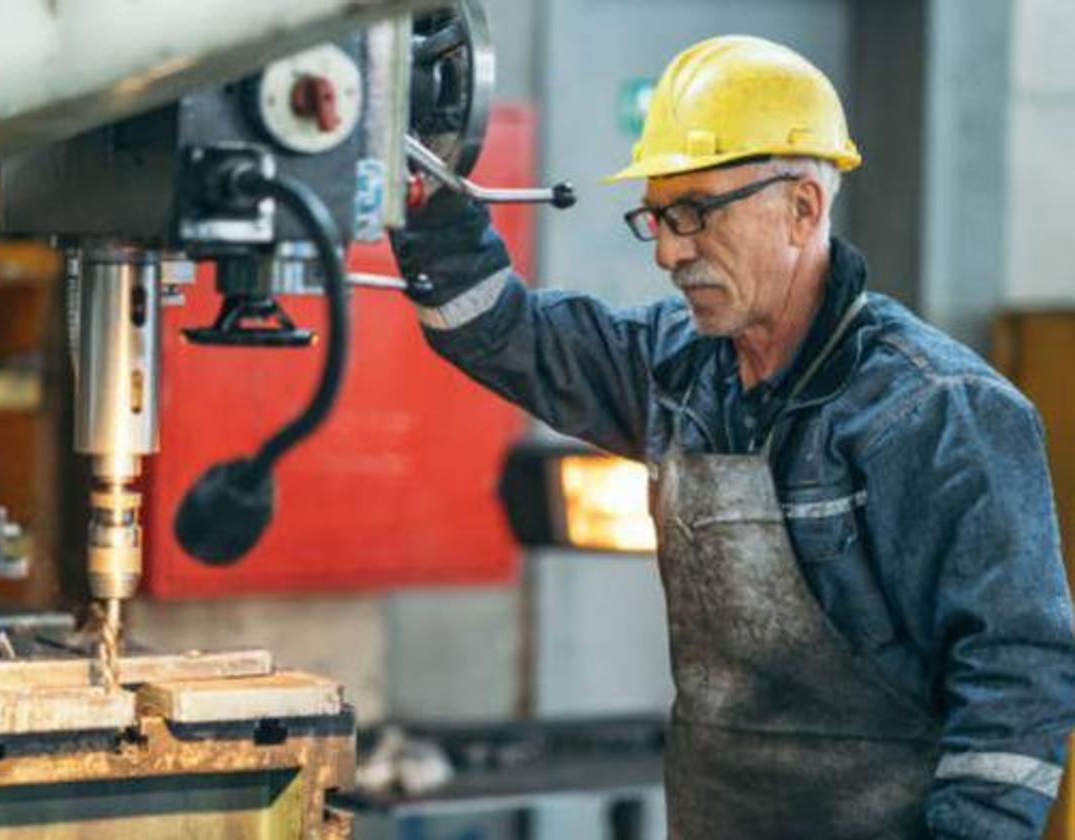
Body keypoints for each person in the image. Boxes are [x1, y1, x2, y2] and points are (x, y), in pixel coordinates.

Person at [393, 34, 1075, 839]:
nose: (671, 251)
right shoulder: (675, 371)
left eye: (695, 214)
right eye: (656, 216)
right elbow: (500, 332)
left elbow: (1018, 675)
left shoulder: (936, 410)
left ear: (802, 209)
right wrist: (425, 183)